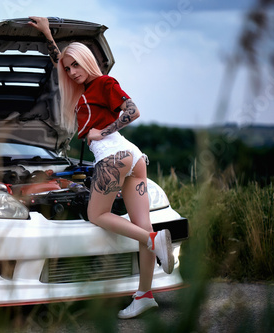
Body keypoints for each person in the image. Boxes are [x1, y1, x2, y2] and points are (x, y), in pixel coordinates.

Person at [29, 16, 175, 319]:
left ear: (87, 63)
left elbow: (133, 111)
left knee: (97, 214)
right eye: (68, 68)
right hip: (133, 159)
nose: (71, 71)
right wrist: (47, 34)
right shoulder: (80, 87)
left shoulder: (104, 83)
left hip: (113, 155)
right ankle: (144, 294)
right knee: (143, 225)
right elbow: (59, 62)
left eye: (76, 66)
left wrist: (102, 131)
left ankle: (153, 240)